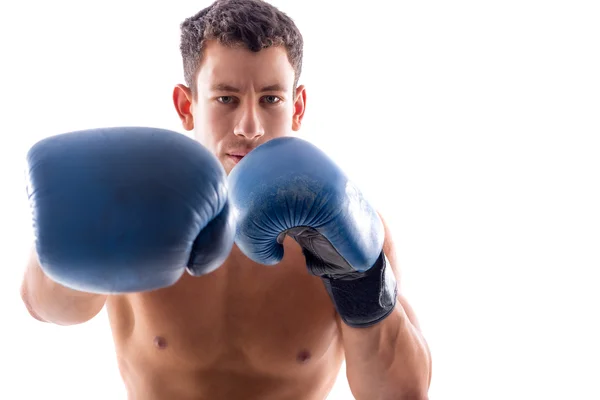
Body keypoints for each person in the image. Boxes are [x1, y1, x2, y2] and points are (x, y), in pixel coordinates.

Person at [20, 0, 432, 399]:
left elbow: (401, 393)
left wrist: (359, 280)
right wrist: (87, 223)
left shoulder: (348, 223)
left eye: (271, 99)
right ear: (187, 106)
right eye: (226, 99)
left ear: (298, 108)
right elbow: (49, 308)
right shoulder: (142, 207)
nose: (249, 127)